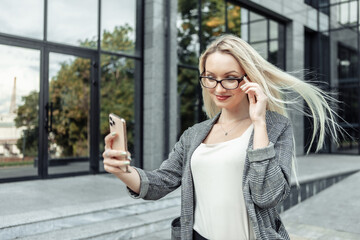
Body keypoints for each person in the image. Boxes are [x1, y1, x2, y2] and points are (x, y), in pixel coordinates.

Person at [103, 34, 342, 240]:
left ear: (249, 78)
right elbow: (160, 183)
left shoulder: (275, 126)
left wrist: (259, 122)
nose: (218, 88)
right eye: (210, 77)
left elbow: (267, 196)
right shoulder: (194, 134)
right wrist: (121, 171)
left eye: (230, 77)